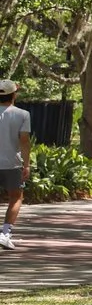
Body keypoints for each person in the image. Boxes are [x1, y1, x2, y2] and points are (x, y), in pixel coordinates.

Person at [0, 80, 31, 247]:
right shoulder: (22, 114)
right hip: (12, 164)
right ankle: (5, 234)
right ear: (14, 95)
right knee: (16, 197)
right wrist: (27, 164)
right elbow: (24, 141)